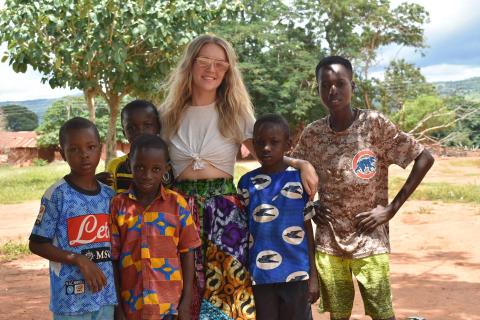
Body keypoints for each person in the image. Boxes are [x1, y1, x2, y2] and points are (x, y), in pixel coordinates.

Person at [159, 34, 318, 319]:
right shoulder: (168, 115)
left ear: (229, 69)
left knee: (226, 298)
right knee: (179, 293)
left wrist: (301, 163)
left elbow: (267, 149)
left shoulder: (235, 113)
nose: (212, 69)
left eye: (220, 64)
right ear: (190, 64)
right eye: (204, 61)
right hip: (178, 213)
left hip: (224, 216)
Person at [291, 56, 435, 320]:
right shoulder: (313, 134)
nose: (333, 90)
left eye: (340, 83)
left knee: (383, 313)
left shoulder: (374, 125)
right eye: (326, 84)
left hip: (371, 239)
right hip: (329, 242)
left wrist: (391, 209)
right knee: (339, 315)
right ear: (319, 89)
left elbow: (424, 158)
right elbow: (291, 171)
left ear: (352, 86)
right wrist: (311, 206)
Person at [29, 117, 117, 319]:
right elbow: (37, 243)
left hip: (105, 297)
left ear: (100, 149)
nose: (84, 155)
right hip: (71, 302)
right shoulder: (57, 195)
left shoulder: (109, 196)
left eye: (91, 147)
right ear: (63, 154)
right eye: (74, 149)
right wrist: (78, 260)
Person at [237, 114, 320, 320]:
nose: (266, 148)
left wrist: (313, 276)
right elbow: (242, 231)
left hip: (297, 274)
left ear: (288, 145)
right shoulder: (246, 182)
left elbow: (307, 229)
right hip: (260, 277)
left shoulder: (299, 180)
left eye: (274, 142)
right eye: (260, 142)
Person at [110, 134, 201, 319]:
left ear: (166, 169)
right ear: (130, 165)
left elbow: (188, 252)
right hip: (132, 306)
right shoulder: (118, 205)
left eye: (156, 169)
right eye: (140, 168)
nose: (147, 175)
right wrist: (118, 306)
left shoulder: (177, 204)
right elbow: (112, 258)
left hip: (169, 306)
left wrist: (186, 302)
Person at [104, 99, 164, 194]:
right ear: (124, 133)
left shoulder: (167, 165)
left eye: (147, 125)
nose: (140, 132)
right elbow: (110, 200)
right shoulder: (116, 166)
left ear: (158, 128)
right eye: (131, 128)